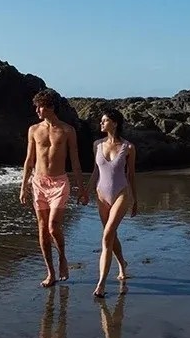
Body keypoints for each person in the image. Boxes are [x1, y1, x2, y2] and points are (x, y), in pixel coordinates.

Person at [20, 88, 85, 288]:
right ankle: (50, 272)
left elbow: (74, 161)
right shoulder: (33, 129)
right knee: (42, 229)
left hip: (59, 183)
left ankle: (62, 258)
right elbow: (29, 159)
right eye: (36, 107)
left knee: (53, 226)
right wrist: (23, 185)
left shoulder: (67, 130)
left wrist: (81, 188)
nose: (37, 111)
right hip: (38, 182)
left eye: (39, 107)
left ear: (50, 107)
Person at [91, 107, 137, 298]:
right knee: (111, 236)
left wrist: (136, 200)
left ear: (115, 123)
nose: (101, 123)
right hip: (101, 194)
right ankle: (122, 265)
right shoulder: (97, 145)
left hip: (121, 194)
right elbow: (95, 172)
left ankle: (101, 283)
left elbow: (131, 175)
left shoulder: (129, 147)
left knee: (107, 234)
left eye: (104, 120)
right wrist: (85, 191)